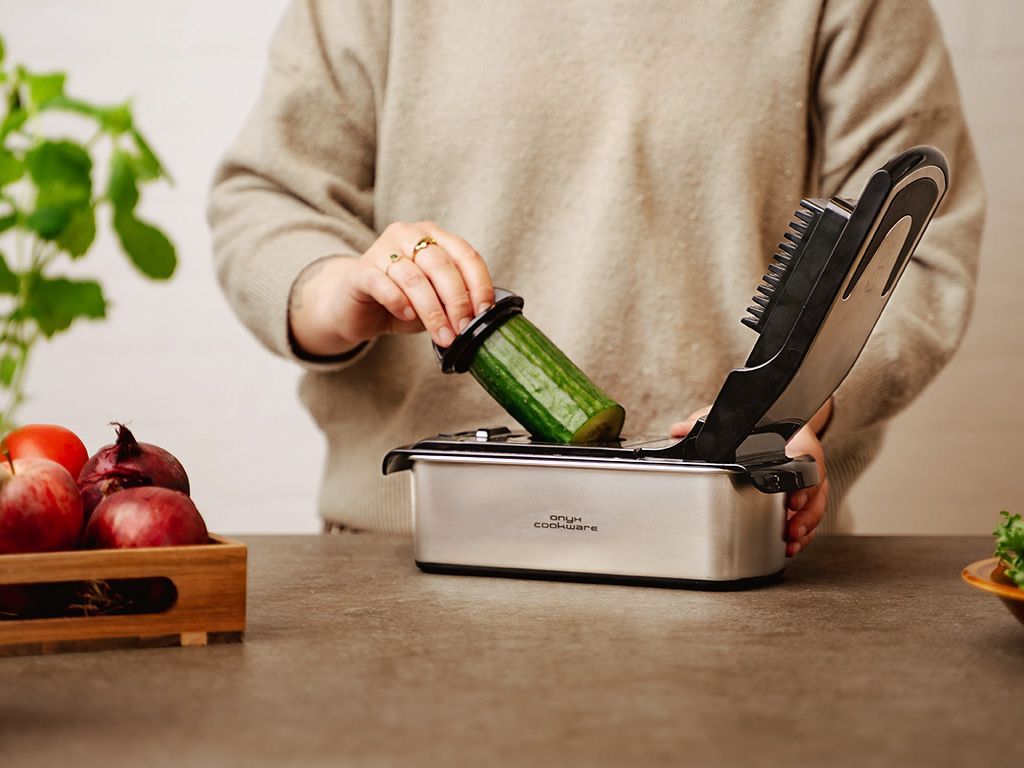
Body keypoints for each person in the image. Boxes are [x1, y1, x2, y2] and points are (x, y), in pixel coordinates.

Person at [208, 0, 984, 553]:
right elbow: (269, 198)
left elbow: (920, 246)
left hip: (733, 549)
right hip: (413, 552)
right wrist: (335, 290)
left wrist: (797, 405)